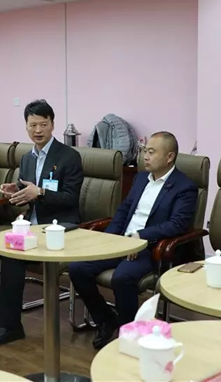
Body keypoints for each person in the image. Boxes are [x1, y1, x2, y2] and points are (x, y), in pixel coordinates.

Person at [0, 99, 84, 346]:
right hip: (30, 226)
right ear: (26, 126)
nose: (38, 130)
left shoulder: (69, 156)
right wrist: (15, 190)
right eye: (32, 125)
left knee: (12, 255)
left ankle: (10, 326)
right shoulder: (27, 158)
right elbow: (27, 191)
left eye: (43, 124)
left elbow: (71, 198)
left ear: (52, 125)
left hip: (58, 228)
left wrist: (40, 193)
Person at [68, 131, 198, 349]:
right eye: (145, 151)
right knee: (77, 268)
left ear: (169, 157)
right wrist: (108, 239)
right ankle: (106, 319)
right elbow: (123, 211)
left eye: (151, 152)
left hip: (151, 248)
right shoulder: (140, 179)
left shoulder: (184, 187)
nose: (145, 156)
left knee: (122, 277)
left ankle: (129, 335)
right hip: (123, 242)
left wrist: (142, 237)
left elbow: (177, 224)